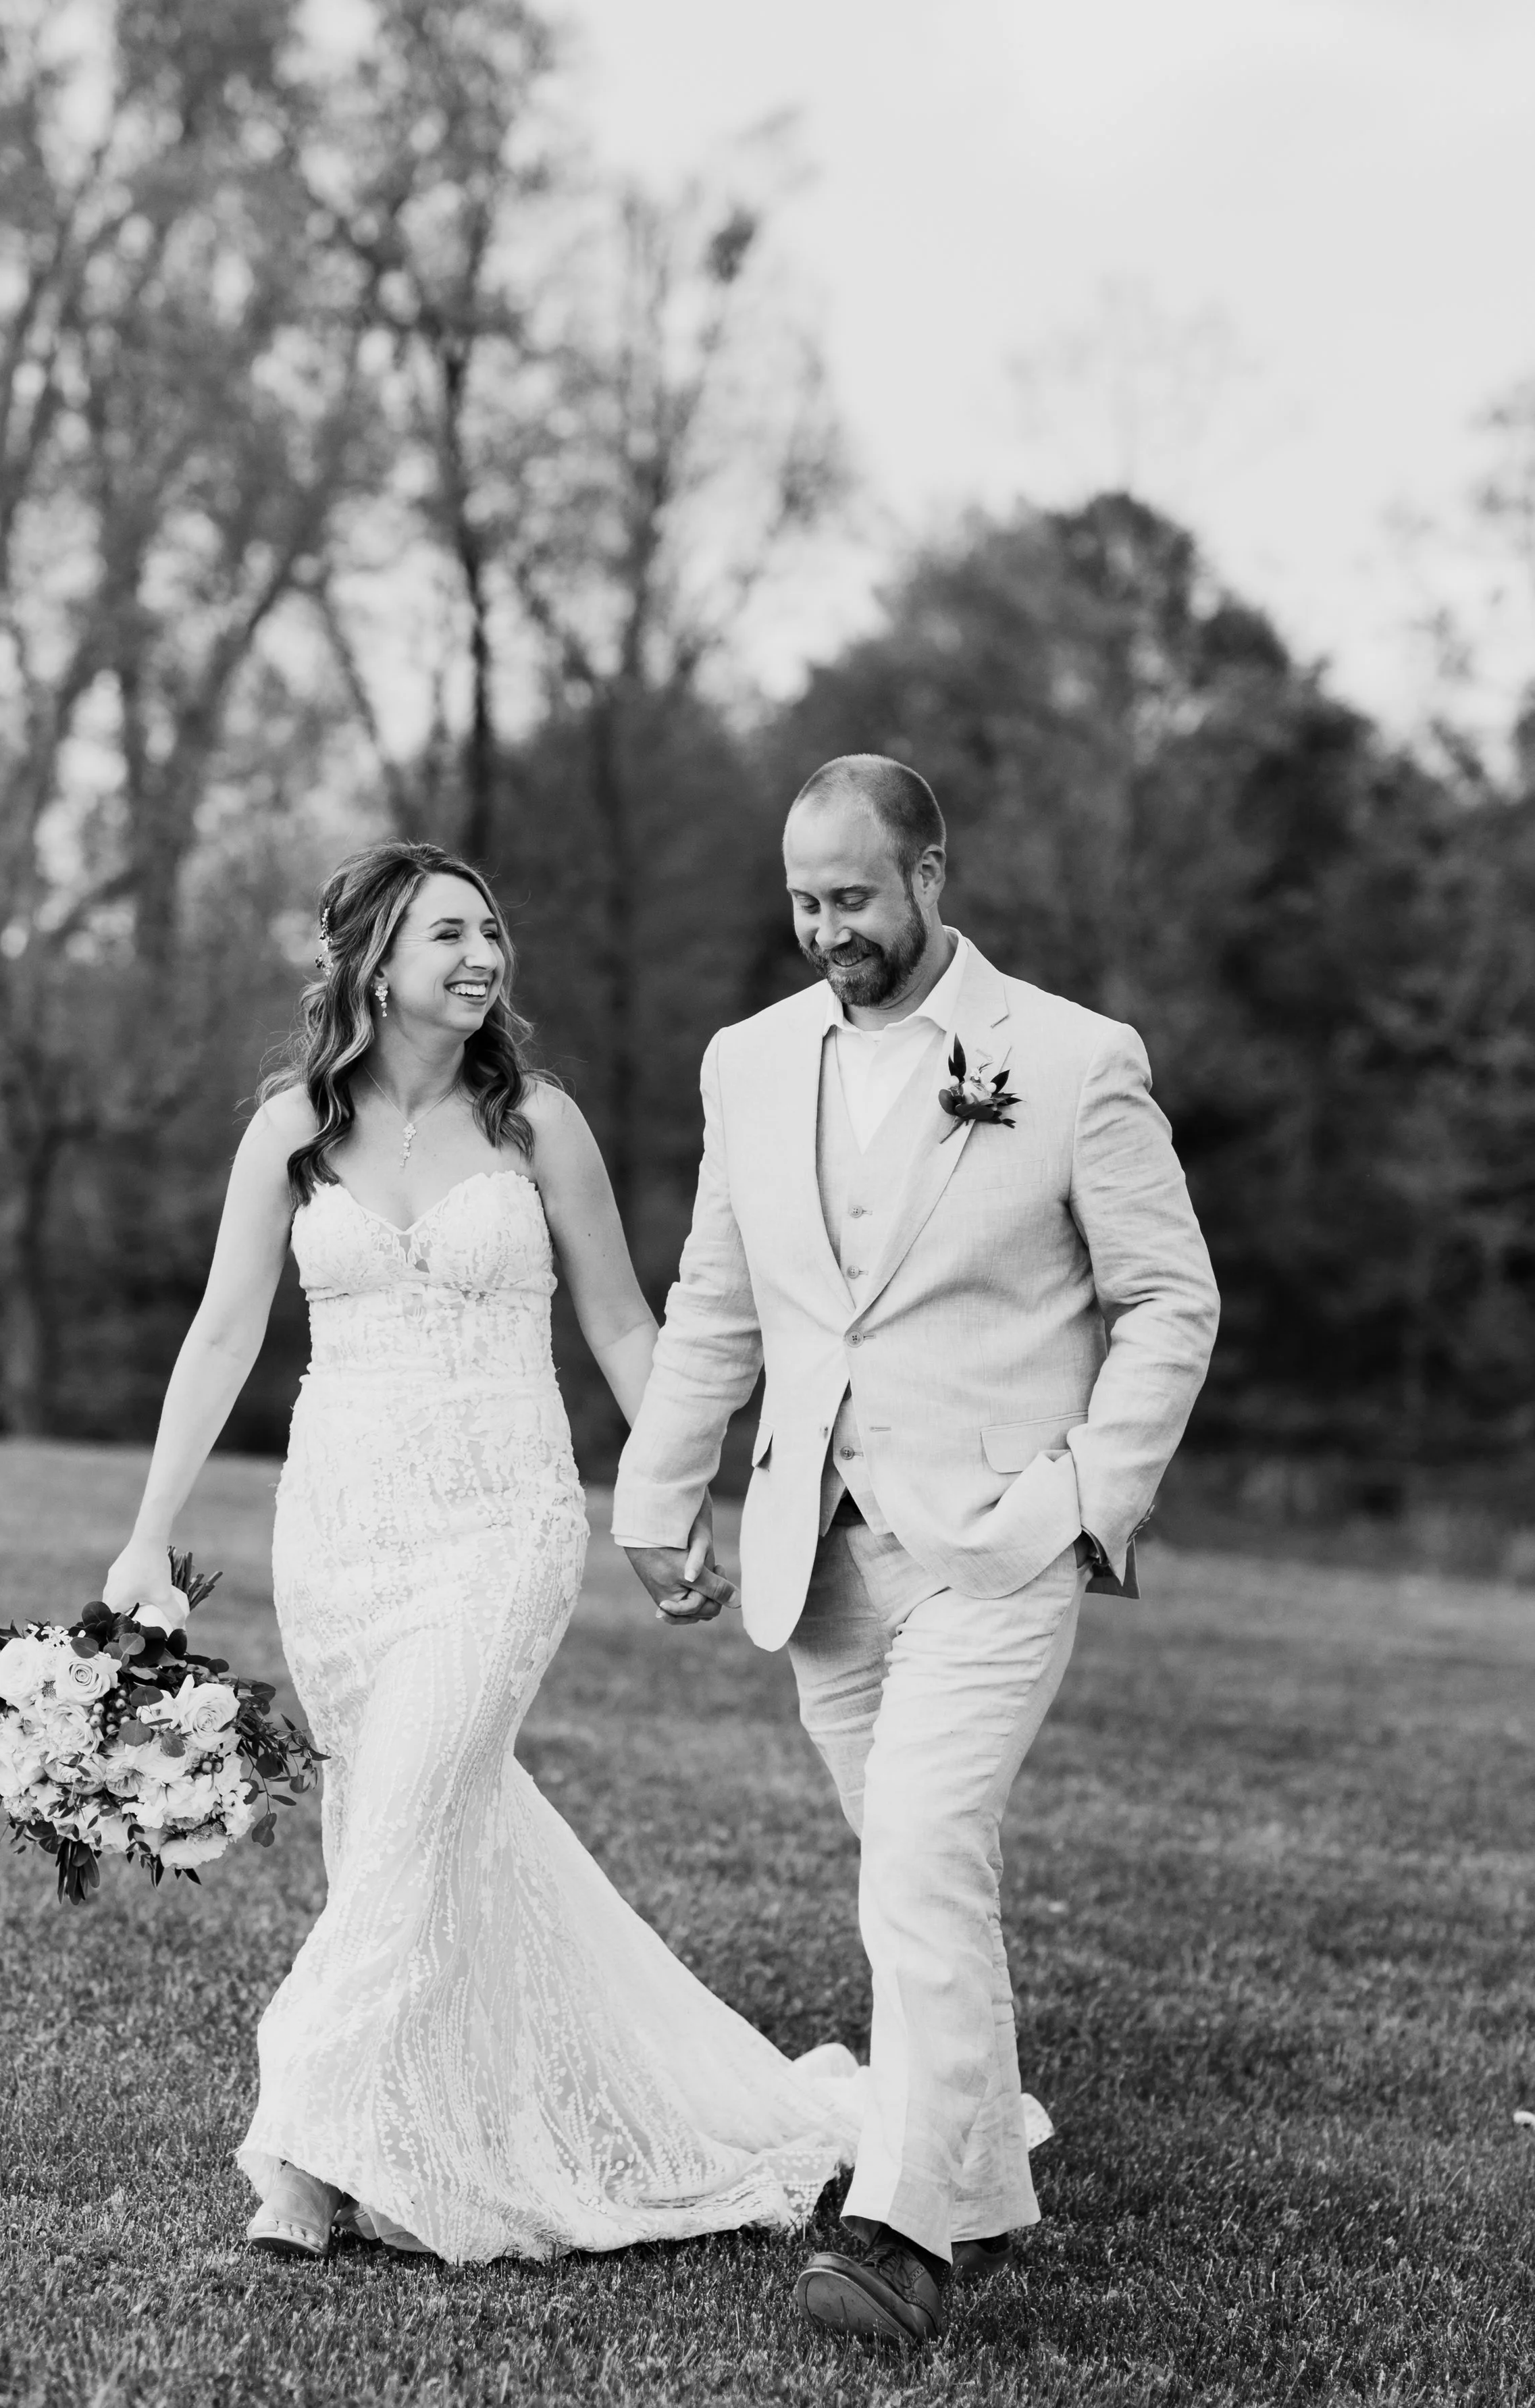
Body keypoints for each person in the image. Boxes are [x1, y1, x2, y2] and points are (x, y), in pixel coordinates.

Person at [101, 837, 858, 2264]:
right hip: (340, 1531)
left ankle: (298, 2153)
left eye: (491, 933)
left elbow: (628, 1328)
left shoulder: (537, 1125)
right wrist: (147, 1533)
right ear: (371, 961)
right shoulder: (290, 1130)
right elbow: (220, 1332)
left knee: (403, 1826)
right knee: (403, 1832)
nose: (481, 957)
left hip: (504, 1522)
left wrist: (679, 1491)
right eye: (447, 934)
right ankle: (424, 2134)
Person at [614, 755, 1220, 2346]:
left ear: (931, 877)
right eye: (803, 901)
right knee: (909, 1870)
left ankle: (897, 2228)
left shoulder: (1075, 1060)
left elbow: (1169, 1298)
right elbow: (716, 1298)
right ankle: (990, 2180)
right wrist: (652, 1491)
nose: (827, 929)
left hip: (998, 1541)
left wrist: (1092, 1490)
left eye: (854, 898)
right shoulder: (744, 1063)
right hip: (816, 1549)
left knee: (919, 1858)